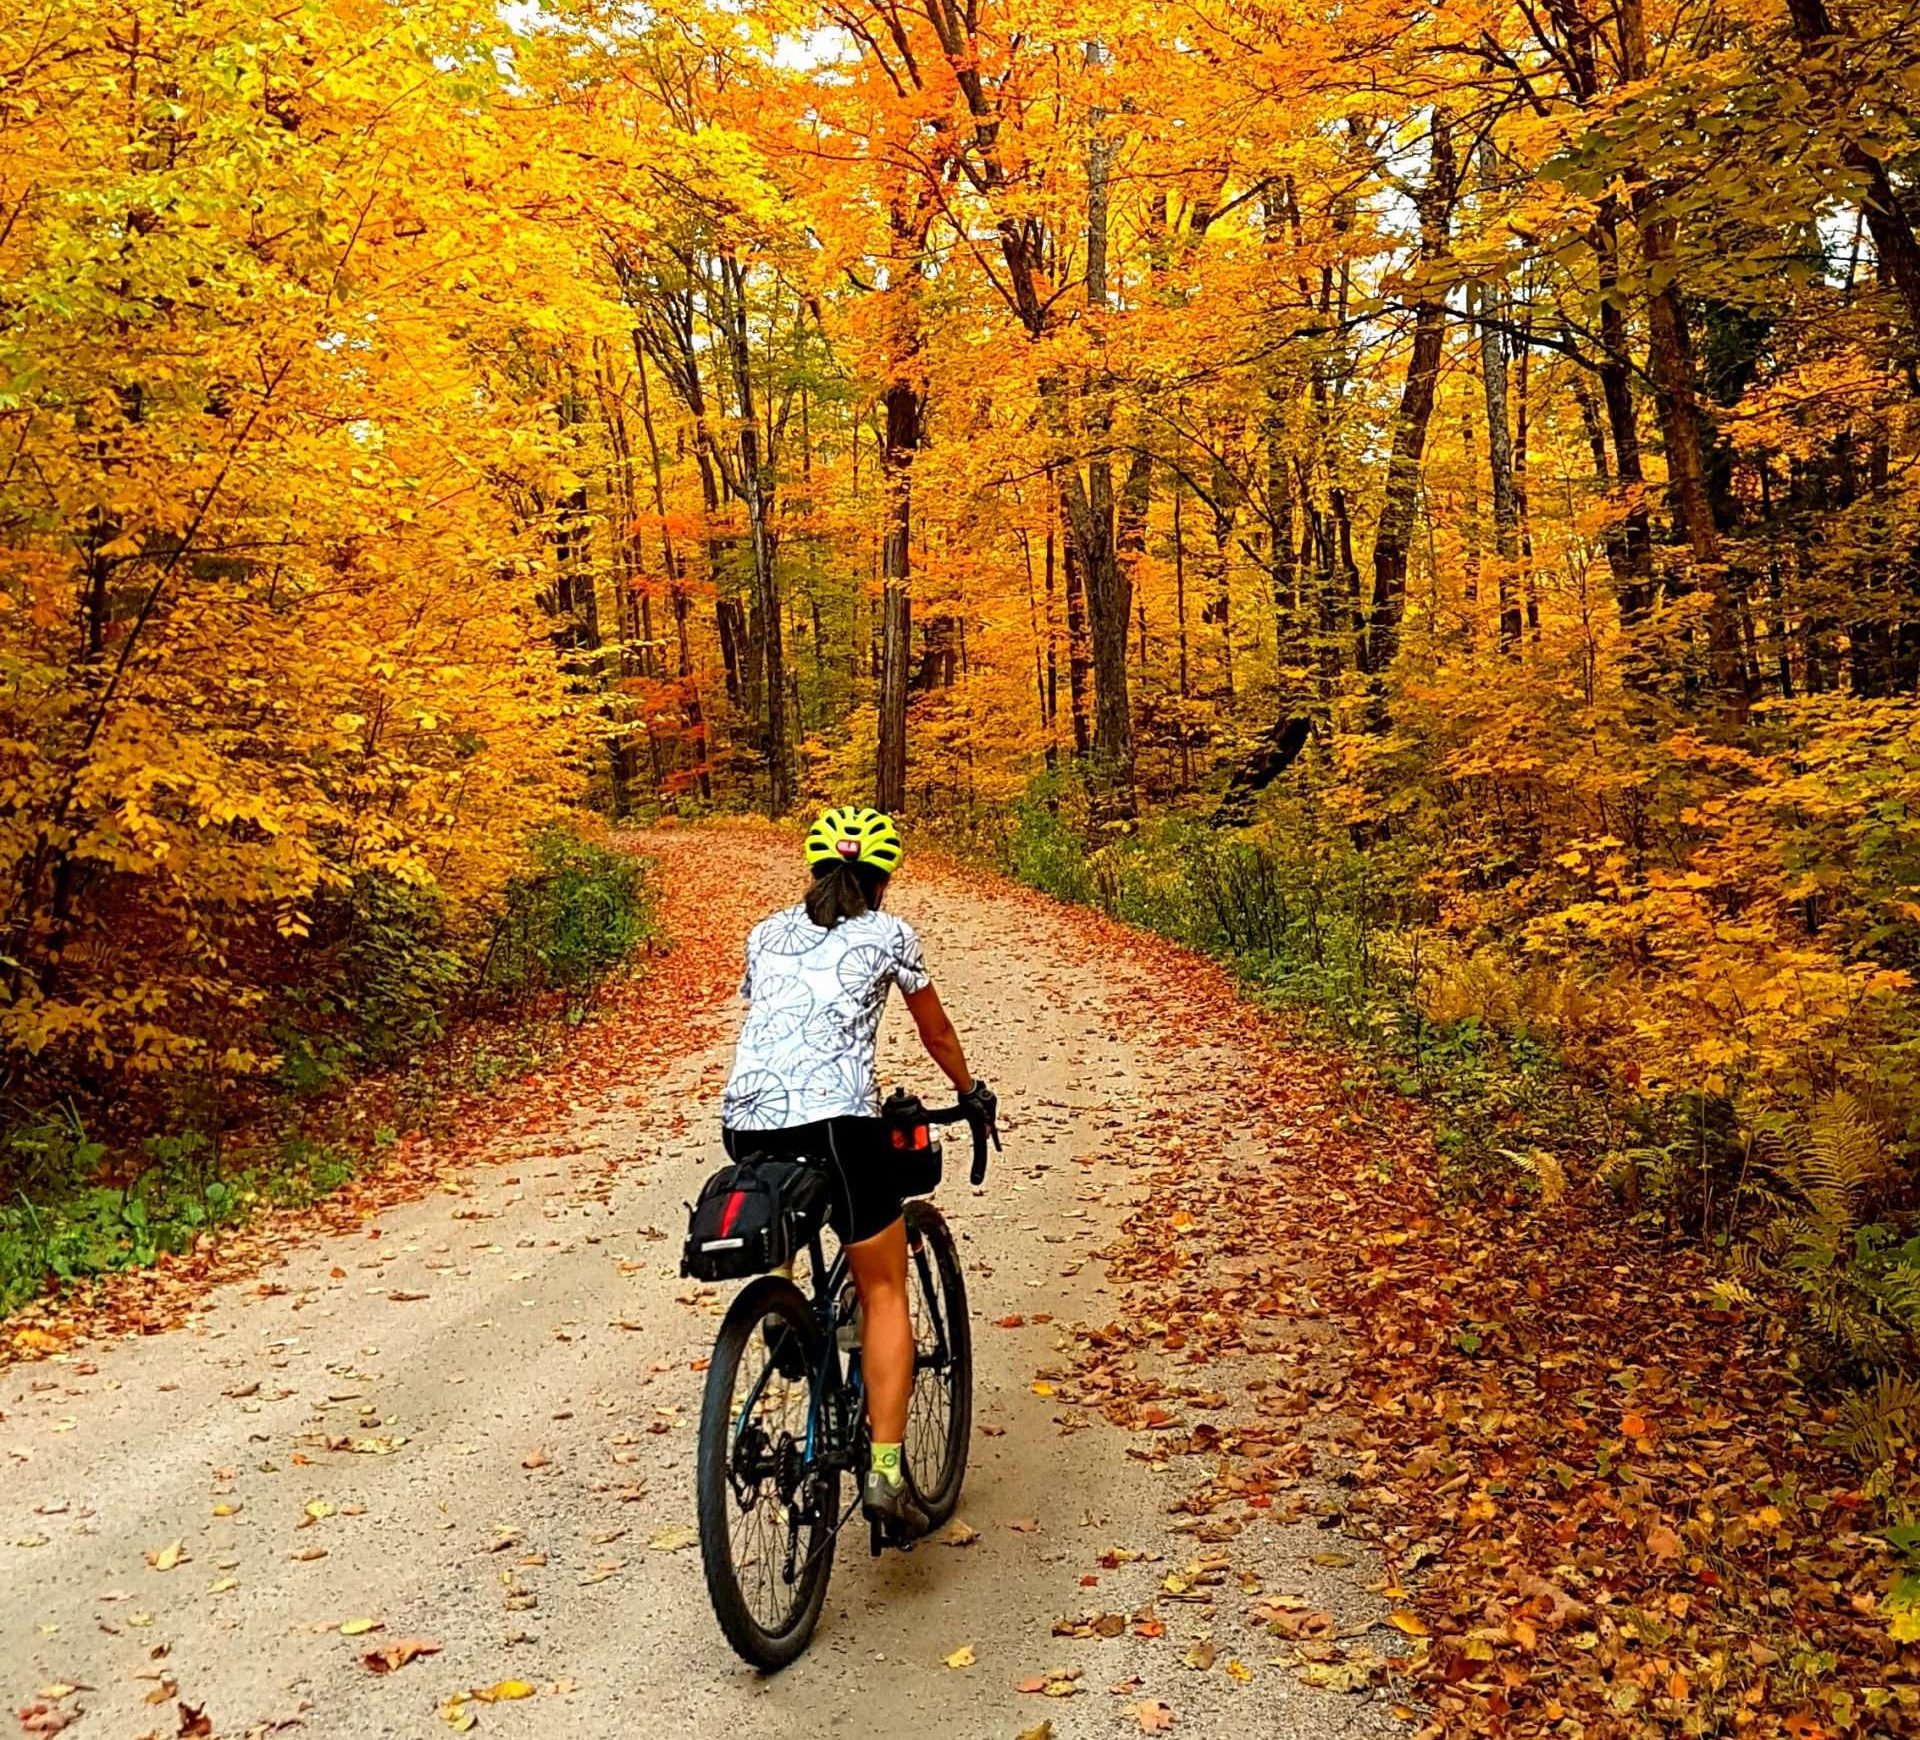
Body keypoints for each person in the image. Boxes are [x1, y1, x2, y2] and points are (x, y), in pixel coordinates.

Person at [721, 805, 992, 1536]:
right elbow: (933, 1030)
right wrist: (968, 1094)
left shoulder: (765, 932)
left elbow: (782, 1020)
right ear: (884, 879)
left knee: (791, 1219)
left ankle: (791, 1318)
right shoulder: (889, 934)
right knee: (882, 1287)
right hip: (839, 1126)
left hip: (745, 1124)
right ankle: (882, 1474)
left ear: (813, 870)